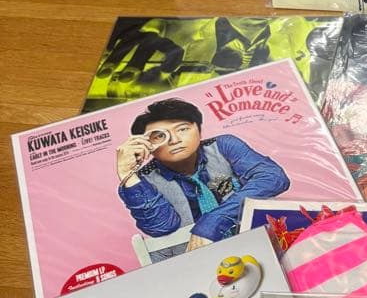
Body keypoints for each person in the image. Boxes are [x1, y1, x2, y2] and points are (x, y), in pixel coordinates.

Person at [116, 97, 289, 252]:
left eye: (182, 129)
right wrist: (127, 174)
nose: (175, 140)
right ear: (146, 144)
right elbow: (162, 227)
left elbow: (273, 178)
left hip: (260, 244)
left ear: (199, 129)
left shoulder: (223, 146)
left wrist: (213, 221)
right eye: (159, 136)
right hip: (196, 260)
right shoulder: (141, 181)